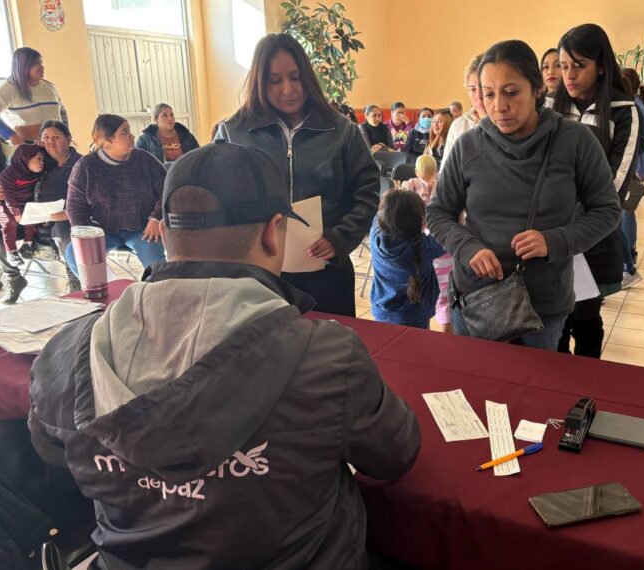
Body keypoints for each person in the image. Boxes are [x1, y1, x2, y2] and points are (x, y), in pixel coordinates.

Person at [28, 141, 421, 570]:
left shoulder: (64, 354)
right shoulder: (326, 358)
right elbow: (395, 452)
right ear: (274, 232)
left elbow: (54, 456)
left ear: (167, 232)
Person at [427, 40, 621, 351]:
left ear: (537, 88)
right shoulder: (468, 146)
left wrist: (555, 241)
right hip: (475, 297)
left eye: (511, 92)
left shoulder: (575, 141)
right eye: (488, 93)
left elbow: (607, 210)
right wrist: (467, 248)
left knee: (533, 392)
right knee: (477, 388)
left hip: (542, 303)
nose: (498, 106)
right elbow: (438, 212)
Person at [215, 33, 379, 317]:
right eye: (275, 81)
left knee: (330, 352)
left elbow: (366, 191)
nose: (288, 89)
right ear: (259, 82)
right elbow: (216, 196)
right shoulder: (233, 132)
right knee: (266, 354)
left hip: (326, 271)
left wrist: (339, 238)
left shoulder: (342, 131)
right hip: (257, 276)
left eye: (295, 77)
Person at [551, 23, 637, 357]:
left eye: (579, 65)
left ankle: (584, 393)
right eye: (563, 66)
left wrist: (576, 223)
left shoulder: (623, 112)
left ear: (601, 65)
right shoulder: (551, 109)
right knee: (553, 319)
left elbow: (617, 181)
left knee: (586, 317)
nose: (569, 75)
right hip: (550, 232)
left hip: (591, 235)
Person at [65, 114, 167, 277]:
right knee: (73, 252)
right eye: (125, 132)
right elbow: (75, 207)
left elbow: (167, 189)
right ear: (107, 140)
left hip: (143, 229)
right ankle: (104, 291)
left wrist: (156, 218)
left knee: (157, 268)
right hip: (103, 231)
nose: (132, 136)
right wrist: (86, 234)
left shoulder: (144, 160)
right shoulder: (85, 167)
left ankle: (152, 297)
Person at [370, 188, 445, 329]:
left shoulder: (375, 237)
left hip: (382, 312)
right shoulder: (427, 246)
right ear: (421, 221)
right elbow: (449, 234)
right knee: (417, 350)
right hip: (416, 316)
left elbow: (379, 215)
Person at [401, 154, 453, 331]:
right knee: (444, 294)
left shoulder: (408, 188)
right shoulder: (447, 187)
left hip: (419, 249)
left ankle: (425, 337)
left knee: (419, 294)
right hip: (444, 243)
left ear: (416, 170)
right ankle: (446, 341)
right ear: (436, 170)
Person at [38, 120, 82, 289]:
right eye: (46, 137)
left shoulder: (81, 163)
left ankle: (74, 277)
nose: (50, 141)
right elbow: (13, 180)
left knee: (65, 233)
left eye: (56, 137)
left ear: (69, 139)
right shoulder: (36, 161)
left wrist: (70, 212)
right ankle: (13, 275)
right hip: (36, 215)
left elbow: (93, 194)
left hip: (68, 215)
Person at [621, 67, 644, 286]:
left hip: (626, 173)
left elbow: (639, 144)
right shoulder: (634, 107)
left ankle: (628, 263)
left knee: (622, 216)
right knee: (619, 218)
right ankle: (628, 264)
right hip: (626, 171)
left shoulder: (635, 109)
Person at [0, 47, 67, 145]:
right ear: (23, 66)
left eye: (41, 62)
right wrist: (11, 135)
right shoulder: (8, 89)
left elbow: (62, 111)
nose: (41, 67)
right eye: (35, 63)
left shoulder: (50, 87)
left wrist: (66, 134)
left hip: (57, 149)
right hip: (28, 151)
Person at [0, 144, 46, 264]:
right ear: (25, 158)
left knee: (31, 220)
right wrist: (16, 212)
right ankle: (12, 252)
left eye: (43, 160)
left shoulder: (35, 173)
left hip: (25, 203)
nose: (42, 163)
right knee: (10, 222)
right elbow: (8, 195)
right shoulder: (9, 174)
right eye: (39, 159)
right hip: (6, 204)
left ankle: (27, 246)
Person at [442, 53, 487, 164]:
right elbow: (445, 172)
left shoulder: (507, 123)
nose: (479, 96)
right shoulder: (459, 125)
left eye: (485, 87)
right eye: (472, 89)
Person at [135, 103, 200, 164]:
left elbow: (198, 157)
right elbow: (138, 163)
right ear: (156, 119)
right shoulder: (144, 140)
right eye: (164, 115)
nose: (170, 118)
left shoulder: (186, 136)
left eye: (172, 115)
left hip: (184, 174)